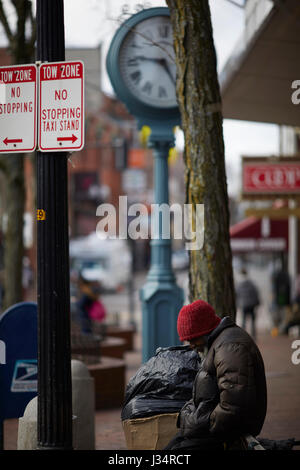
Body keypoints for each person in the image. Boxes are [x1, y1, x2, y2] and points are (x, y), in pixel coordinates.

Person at [164, 299, 267, 451]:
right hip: (219, 424)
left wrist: (201, 425)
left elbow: (233, 406)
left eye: (192, 339)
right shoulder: (220, 343)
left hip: (229, 430)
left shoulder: (230, 347)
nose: (191, 346)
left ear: (203, 330)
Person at [235, 268, 260, 340]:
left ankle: (243, 336)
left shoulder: (239, 284)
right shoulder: (251, 283)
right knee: (253, 321)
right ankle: (254, 335)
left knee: (244, 321)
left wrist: (238, 304)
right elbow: (256, 293)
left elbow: (237, 295)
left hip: (244, 304)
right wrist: (257, 303)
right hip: (251, 304)